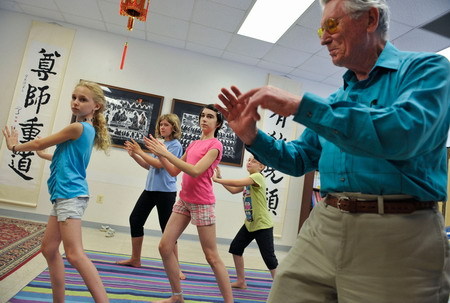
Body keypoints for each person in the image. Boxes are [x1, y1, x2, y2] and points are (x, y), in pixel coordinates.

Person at [215, 0, 450, 302]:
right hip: (324, 223)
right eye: (321, 28)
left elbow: (403, 133)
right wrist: (251, 136)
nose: (324, 38)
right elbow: (299, 158)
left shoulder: (426, 70)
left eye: (332, 25)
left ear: (370, 19)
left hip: (397, 233)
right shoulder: (338, 97)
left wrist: (303, 106)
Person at [2, 80, 111, 303]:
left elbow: (39, 143)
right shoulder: (86, 129)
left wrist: (14, 146)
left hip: (70, 196)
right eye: (74, 97)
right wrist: (49, 157)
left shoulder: (77, 127)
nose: (76, 102)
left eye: (83, 99)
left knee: (74, 254)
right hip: (63, 195)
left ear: (96, 106)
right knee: (49, 249)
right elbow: (69, 160)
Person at [145, 104, 233, 303]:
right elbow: (175, 171)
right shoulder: (193, 144)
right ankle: (177, 297)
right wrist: (160, 153)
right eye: (202, 115)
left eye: (210, 117)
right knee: (165, 246)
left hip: (202, 202)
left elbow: (194, 171)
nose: (204, 119)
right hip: (184, 199)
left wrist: (166, 153)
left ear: (218, 123)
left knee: (211, 256)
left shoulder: (215, 146)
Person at [116, 113, 186, 280]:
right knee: (135, 220)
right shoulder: (160, 144)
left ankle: (176, 268)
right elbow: (150, 166)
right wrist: (135, 155)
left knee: (168, 230)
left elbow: (160, 165)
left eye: (166, 125)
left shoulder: (175, 146)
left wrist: (141, 151)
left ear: (173, 128)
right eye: (161, 124)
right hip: (150, 189)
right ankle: (135, 259)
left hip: (166, 193)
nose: (162, 127)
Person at [212, 156, 278, 289]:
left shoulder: (257, 177)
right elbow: (233, 190)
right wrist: (221, 178)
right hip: (250, 224)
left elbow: (236, 183)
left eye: (254, 161)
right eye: (248, 160)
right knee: (236, 248)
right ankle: (241, 281)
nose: (249, 162)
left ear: (261, 167)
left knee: (269, 258)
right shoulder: (249, 182)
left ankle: (280, 287)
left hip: (262, 225)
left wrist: (217, 180)